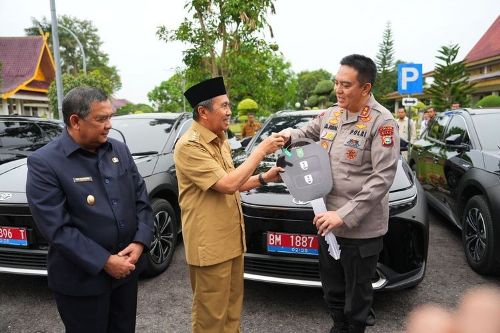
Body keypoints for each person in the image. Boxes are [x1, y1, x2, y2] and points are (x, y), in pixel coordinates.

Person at [279, 54, 400, 333]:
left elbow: (381, 179)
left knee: (357, 297)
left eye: (345, 85)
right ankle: (338, 326)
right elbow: (304, 132)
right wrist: (286, 136)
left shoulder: (382, 123)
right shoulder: (332, 114)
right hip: (326, 223)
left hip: (360, 229)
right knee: (332, 290)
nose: (338, 90)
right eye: (336, 83)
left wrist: (343, 215)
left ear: (366, 88)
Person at [26, 86, 154, 333]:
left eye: (110, 117)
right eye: (101, 119)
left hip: (126, 272)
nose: (109, 125)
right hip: (82, 281)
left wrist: (140, 242)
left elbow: (141, 199)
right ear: (75, 121)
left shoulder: (119, 150)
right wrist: (105, 261)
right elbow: (57, 228)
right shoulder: (45, 162)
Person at [174, 77, 285, 333]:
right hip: (210, 248)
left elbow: (231, 181)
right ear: (203, 112)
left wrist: (263, 178)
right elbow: (227, 185)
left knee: (232, 315)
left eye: (229, 105)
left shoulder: (218, 138)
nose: (229, 111)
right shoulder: (189, 145)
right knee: (211, 320)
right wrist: (260, 151)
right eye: (223, 106)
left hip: (232, 242)